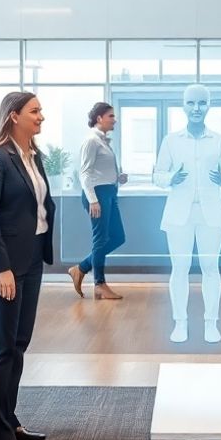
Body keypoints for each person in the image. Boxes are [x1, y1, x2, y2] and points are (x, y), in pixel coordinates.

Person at [0, 92, 55, 440]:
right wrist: (1, 267)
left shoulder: (33, 157)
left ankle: (9, 420)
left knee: (18, 344)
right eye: (35, 111)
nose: (41, 116)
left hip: (31, 258)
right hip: (1, 265)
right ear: (14, 116)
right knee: (0, 347)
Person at [153, 84, 221, 344]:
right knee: (179, 268)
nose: (197, 108)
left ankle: (211, 323)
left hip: (211, 214)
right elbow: (157, 175)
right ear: (183, 106)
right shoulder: (171, 140)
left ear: (209, 105)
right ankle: (180, 322)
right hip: (179, 214)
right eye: (191, 103)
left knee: (210, 268)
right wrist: (171, 178)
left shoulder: (220, 140)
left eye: (202, 103)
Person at [69, 102, 127, 300]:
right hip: (97, 195)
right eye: (111, 116)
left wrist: (118, 178)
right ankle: (99, 284)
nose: (115, 119)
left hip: (110, 192)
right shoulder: (91, 141)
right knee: (100, 239)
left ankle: (81, 268)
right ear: (99, 118)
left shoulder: (104, 141)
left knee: (118, 237)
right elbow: (84, 173)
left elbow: (99, 171)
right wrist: (93, 200)